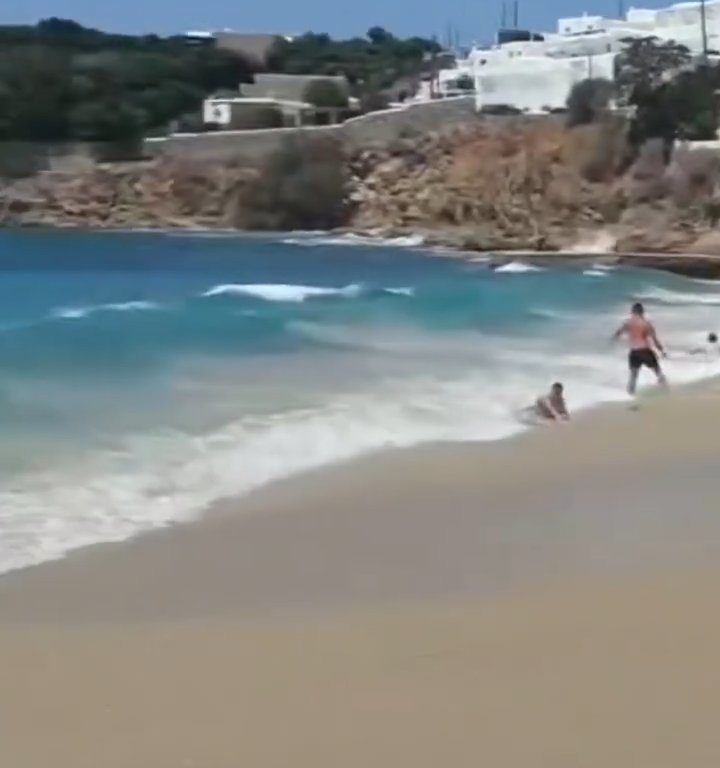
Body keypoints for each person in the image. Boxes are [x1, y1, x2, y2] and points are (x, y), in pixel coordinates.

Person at [612, 302, 668, 395]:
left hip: (634, 352)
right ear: (642, 311)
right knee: (657, 371)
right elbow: (655, 340)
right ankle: (665, 390)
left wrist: (610, 343)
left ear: (633, 311)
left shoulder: (627, 323)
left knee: (633, 376)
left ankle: (630, 395)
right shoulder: (646, 323)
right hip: (644, 350)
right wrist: (662, 351)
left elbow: (617, 334)